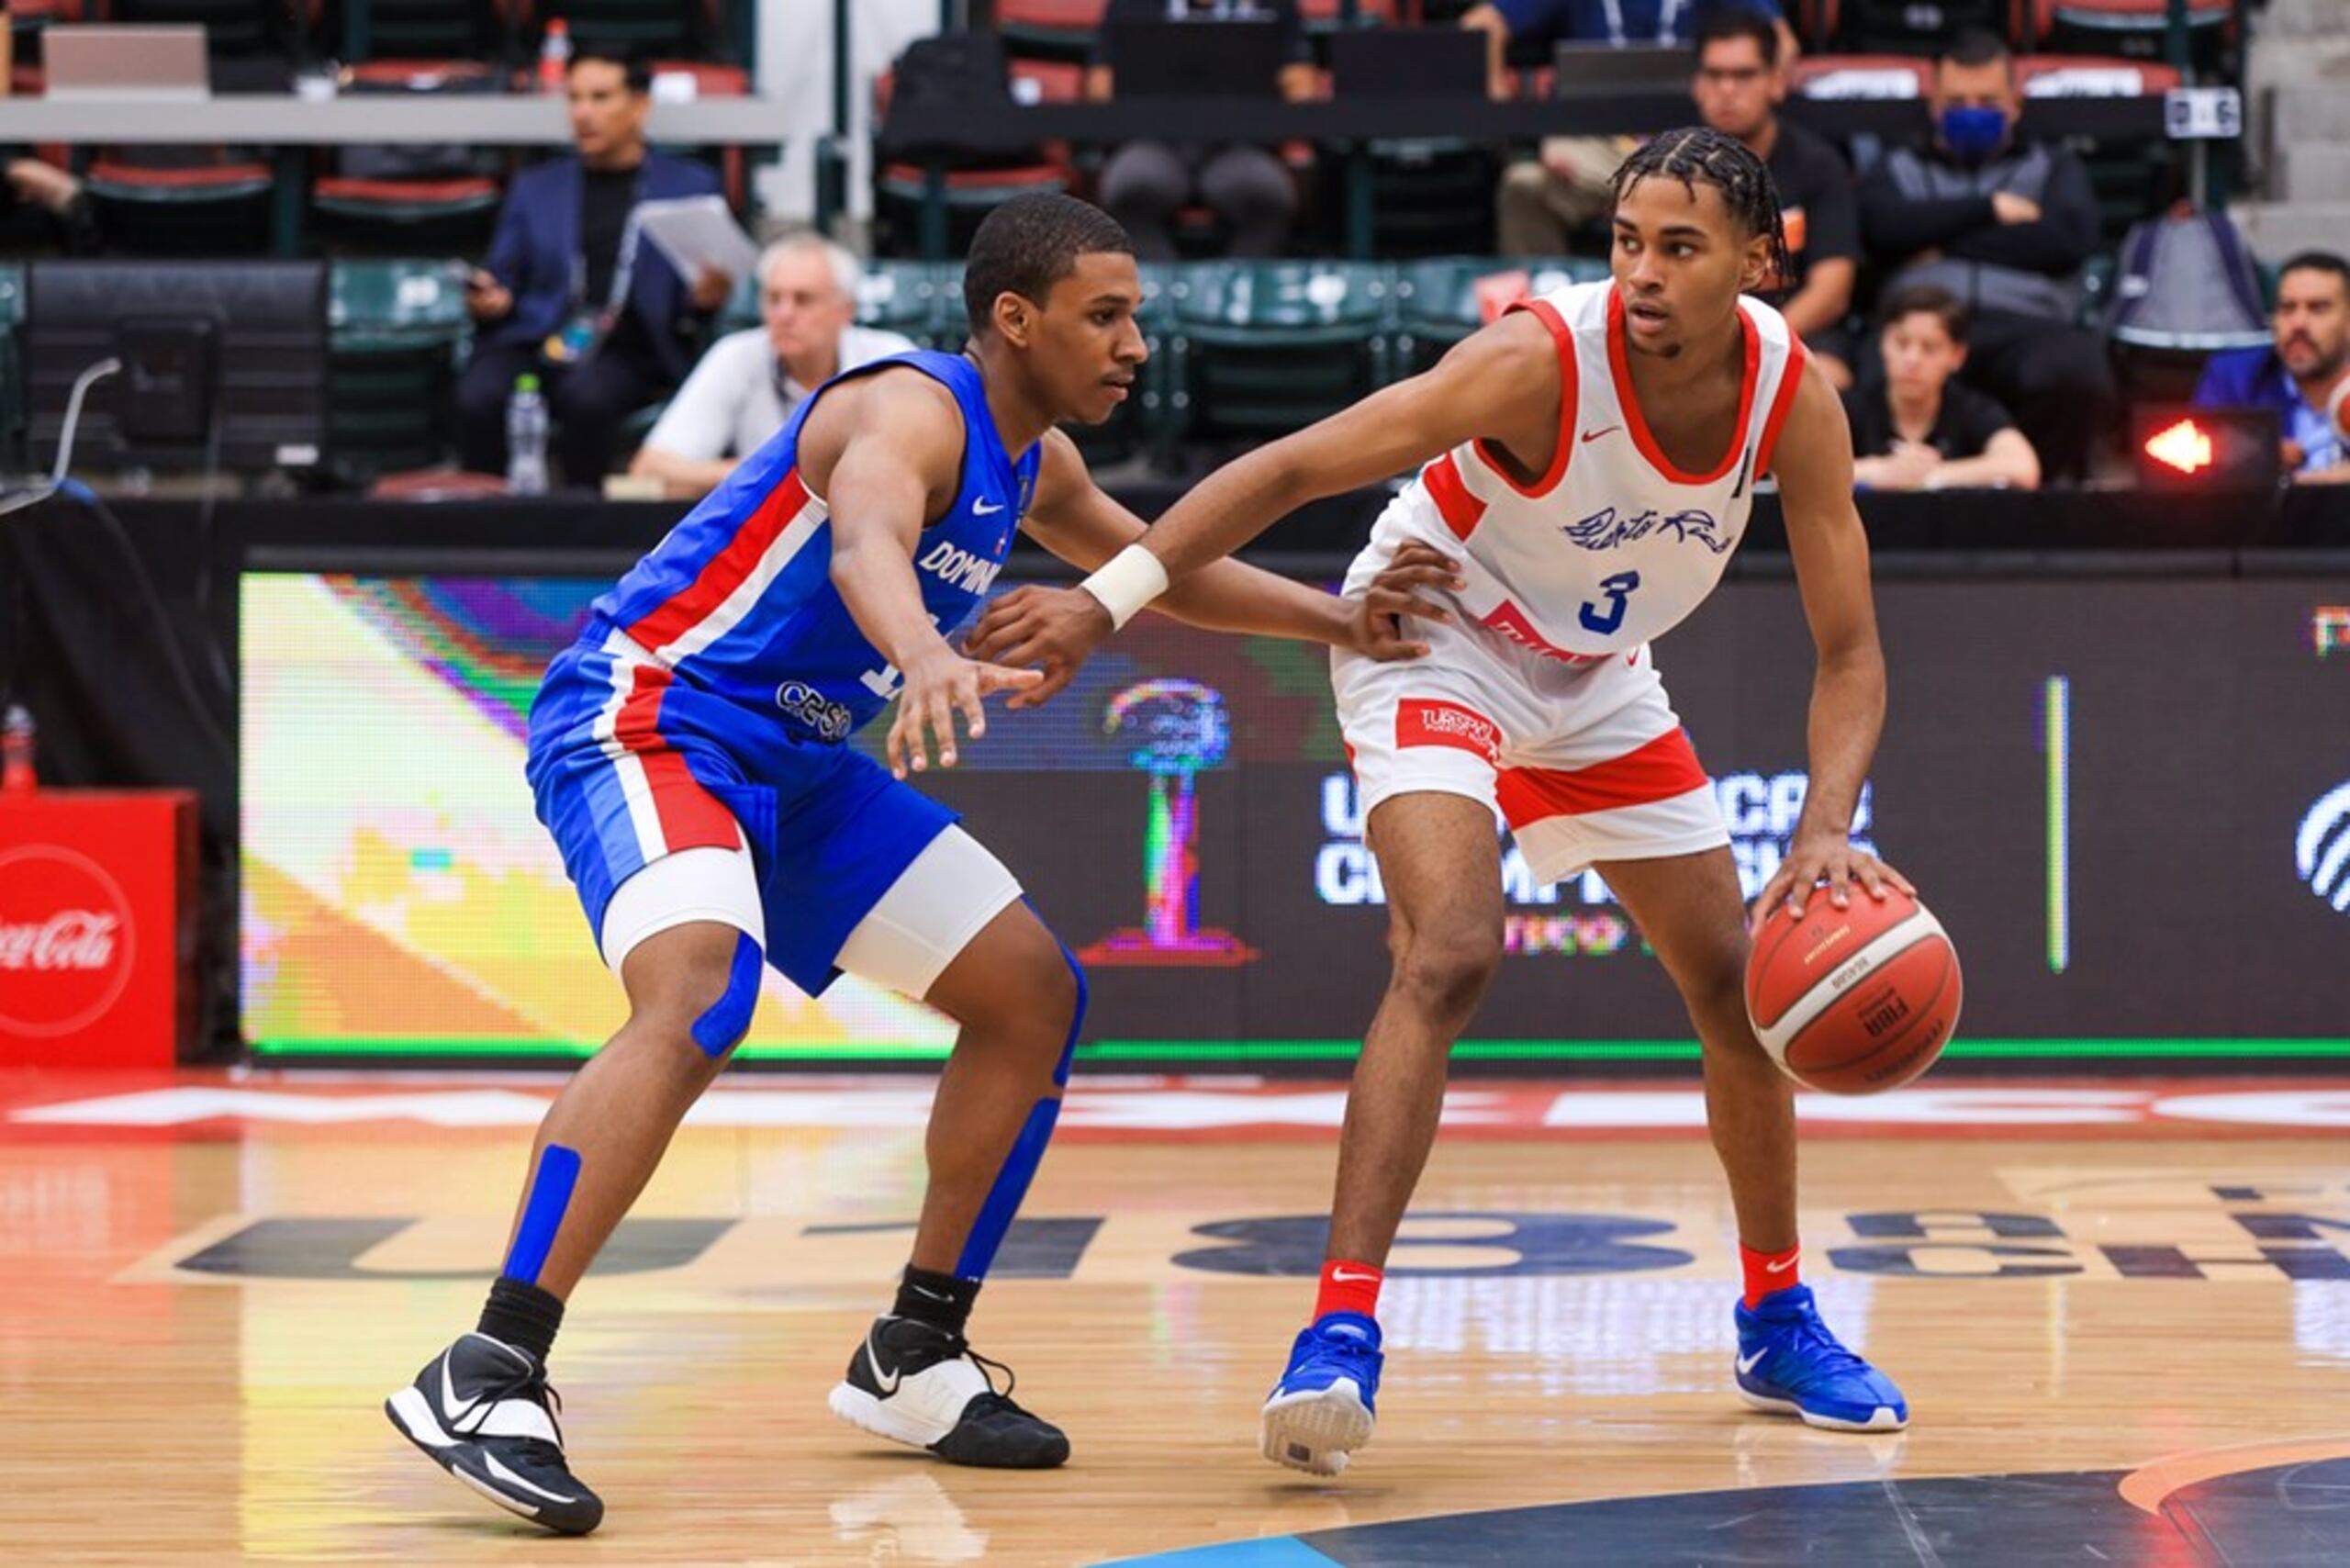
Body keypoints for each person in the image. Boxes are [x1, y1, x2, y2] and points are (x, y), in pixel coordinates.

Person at [382, 194, 1452, 1534]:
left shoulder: (1038, 464)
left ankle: (915, 1356)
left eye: (1136, 317)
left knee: (1030, 996)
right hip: (653, 715)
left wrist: (1346, 623)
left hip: (803, 761)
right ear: (1015, 319)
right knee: (702, 997)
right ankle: (490, 1366)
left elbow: (1155, 571)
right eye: (1105, 316)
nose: (1135, 344)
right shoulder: (907, 410)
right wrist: (932, 653)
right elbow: (868, 540)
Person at [967, 128, 1912, 1476]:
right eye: (1627, 242)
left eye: (1682, 249)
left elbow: (1852, 650)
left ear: (1761, 264)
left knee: (1738, 988)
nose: (1642, 274)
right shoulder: (1537, 360)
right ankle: (1337, 1334)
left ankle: (1775, 1314)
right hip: (1436, 634)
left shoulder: (1790, 396)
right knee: (1453, 950)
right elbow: (1294, 466)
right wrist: (1101, 601)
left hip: (1597, 678)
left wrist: (1826, 828)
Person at [455, 44, 732, 485]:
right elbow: (503, 276)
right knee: (478, 395)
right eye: (575, 98)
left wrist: (705, 299)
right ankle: (484, 524)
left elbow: (697, 295)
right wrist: (493, 298)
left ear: (640, 105)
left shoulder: (688, 185)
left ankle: (580, 529)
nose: (583, 113)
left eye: (600, 98)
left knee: (588, 398)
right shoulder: (536, 187)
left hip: (628, 346)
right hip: (536, 337)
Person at [1858, 29, 2114, 482]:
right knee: (1872, 375)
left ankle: (2032, 501)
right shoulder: (1896, 166)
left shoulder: (2052, 166)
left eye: (1987, 100)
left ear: (2015, 104)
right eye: (1957, 101)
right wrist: (1989, 211)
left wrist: (1936, 236)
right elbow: (1883, 229)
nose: (1971, 112)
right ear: (1934, 105)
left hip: (2024, 324)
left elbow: (2066, 241)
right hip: (1919, 322)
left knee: (2077, 371)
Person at [1470, 0, 1793, 257]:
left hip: (1690, 145)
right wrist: (1498, 95)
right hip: (1596, 144)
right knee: (1523, 187)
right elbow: (1481, 23)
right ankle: (1546, 320)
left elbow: (1782, 41)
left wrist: (1750, 96)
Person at [628, 236, 916, 499]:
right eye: (773, 298)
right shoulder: (736, 354)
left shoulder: (889, 358)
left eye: (803, 300)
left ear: (846, 310)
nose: (784, 314)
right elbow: (649, 469)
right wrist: (763, 474)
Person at [1686, 9, 1858, 386]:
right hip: (1696, 329)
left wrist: (1758, 344)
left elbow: (1832, 290)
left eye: (1744, 75)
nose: (1727, 89)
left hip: (1793, 328)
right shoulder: (1672, 170)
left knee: (1828, 378)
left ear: (1776, 82)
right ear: (1697, 86)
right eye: (1715, 75)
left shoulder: (1818, 165)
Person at [1087, 0, 1316, 261]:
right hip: (1152, 142)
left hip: (1238, 145)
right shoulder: (1132, 4)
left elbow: (1301, 84)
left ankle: (1238, 290)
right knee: (1130, 188)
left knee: (1268, 195)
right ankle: (1161, 291)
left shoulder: (1273, 4)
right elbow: (1100, 85)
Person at [1846, 285, 2039, 491]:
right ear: (1883, 342)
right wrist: (1881, 470)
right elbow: (1808, 471)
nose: (1912, 360)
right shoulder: (1848, 408)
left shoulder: (1971, 409)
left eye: (1929, 348)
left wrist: (1934, 474)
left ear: (1957, 356)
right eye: (1901, 343)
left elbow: (2023, 468)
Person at [2193, 250, 2350, 485]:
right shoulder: (2234, 376)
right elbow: (2190, 464)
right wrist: (2250, 459)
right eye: (2287, 308)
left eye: (2318, 308)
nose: (2298, 323)